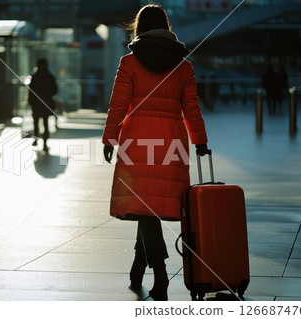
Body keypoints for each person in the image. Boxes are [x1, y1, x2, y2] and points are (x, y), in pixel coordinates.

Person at [102, 4, 208, 301]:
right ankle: (138, 268)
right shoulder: (183, 66)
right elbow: (191, 109)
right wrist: (200, 140)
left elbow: (118, 106)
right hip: (171, 145)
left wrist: (110, 139)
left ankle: (160, 274)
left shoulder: (129, 63)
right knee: (147, 207)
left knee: (143, 206)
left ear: (140, 28)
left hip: (137, 144)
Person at [28, 58, 58, 152]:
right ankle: (45, 144)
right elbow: (55, 90)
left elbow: (31, 91)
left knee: (35, 122)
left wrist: (30, 101)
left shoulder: (34, 76)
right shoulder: (50, 77)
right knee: (45, 124)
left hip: (36, 104)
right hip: (46, 103)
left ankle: (36, 139)